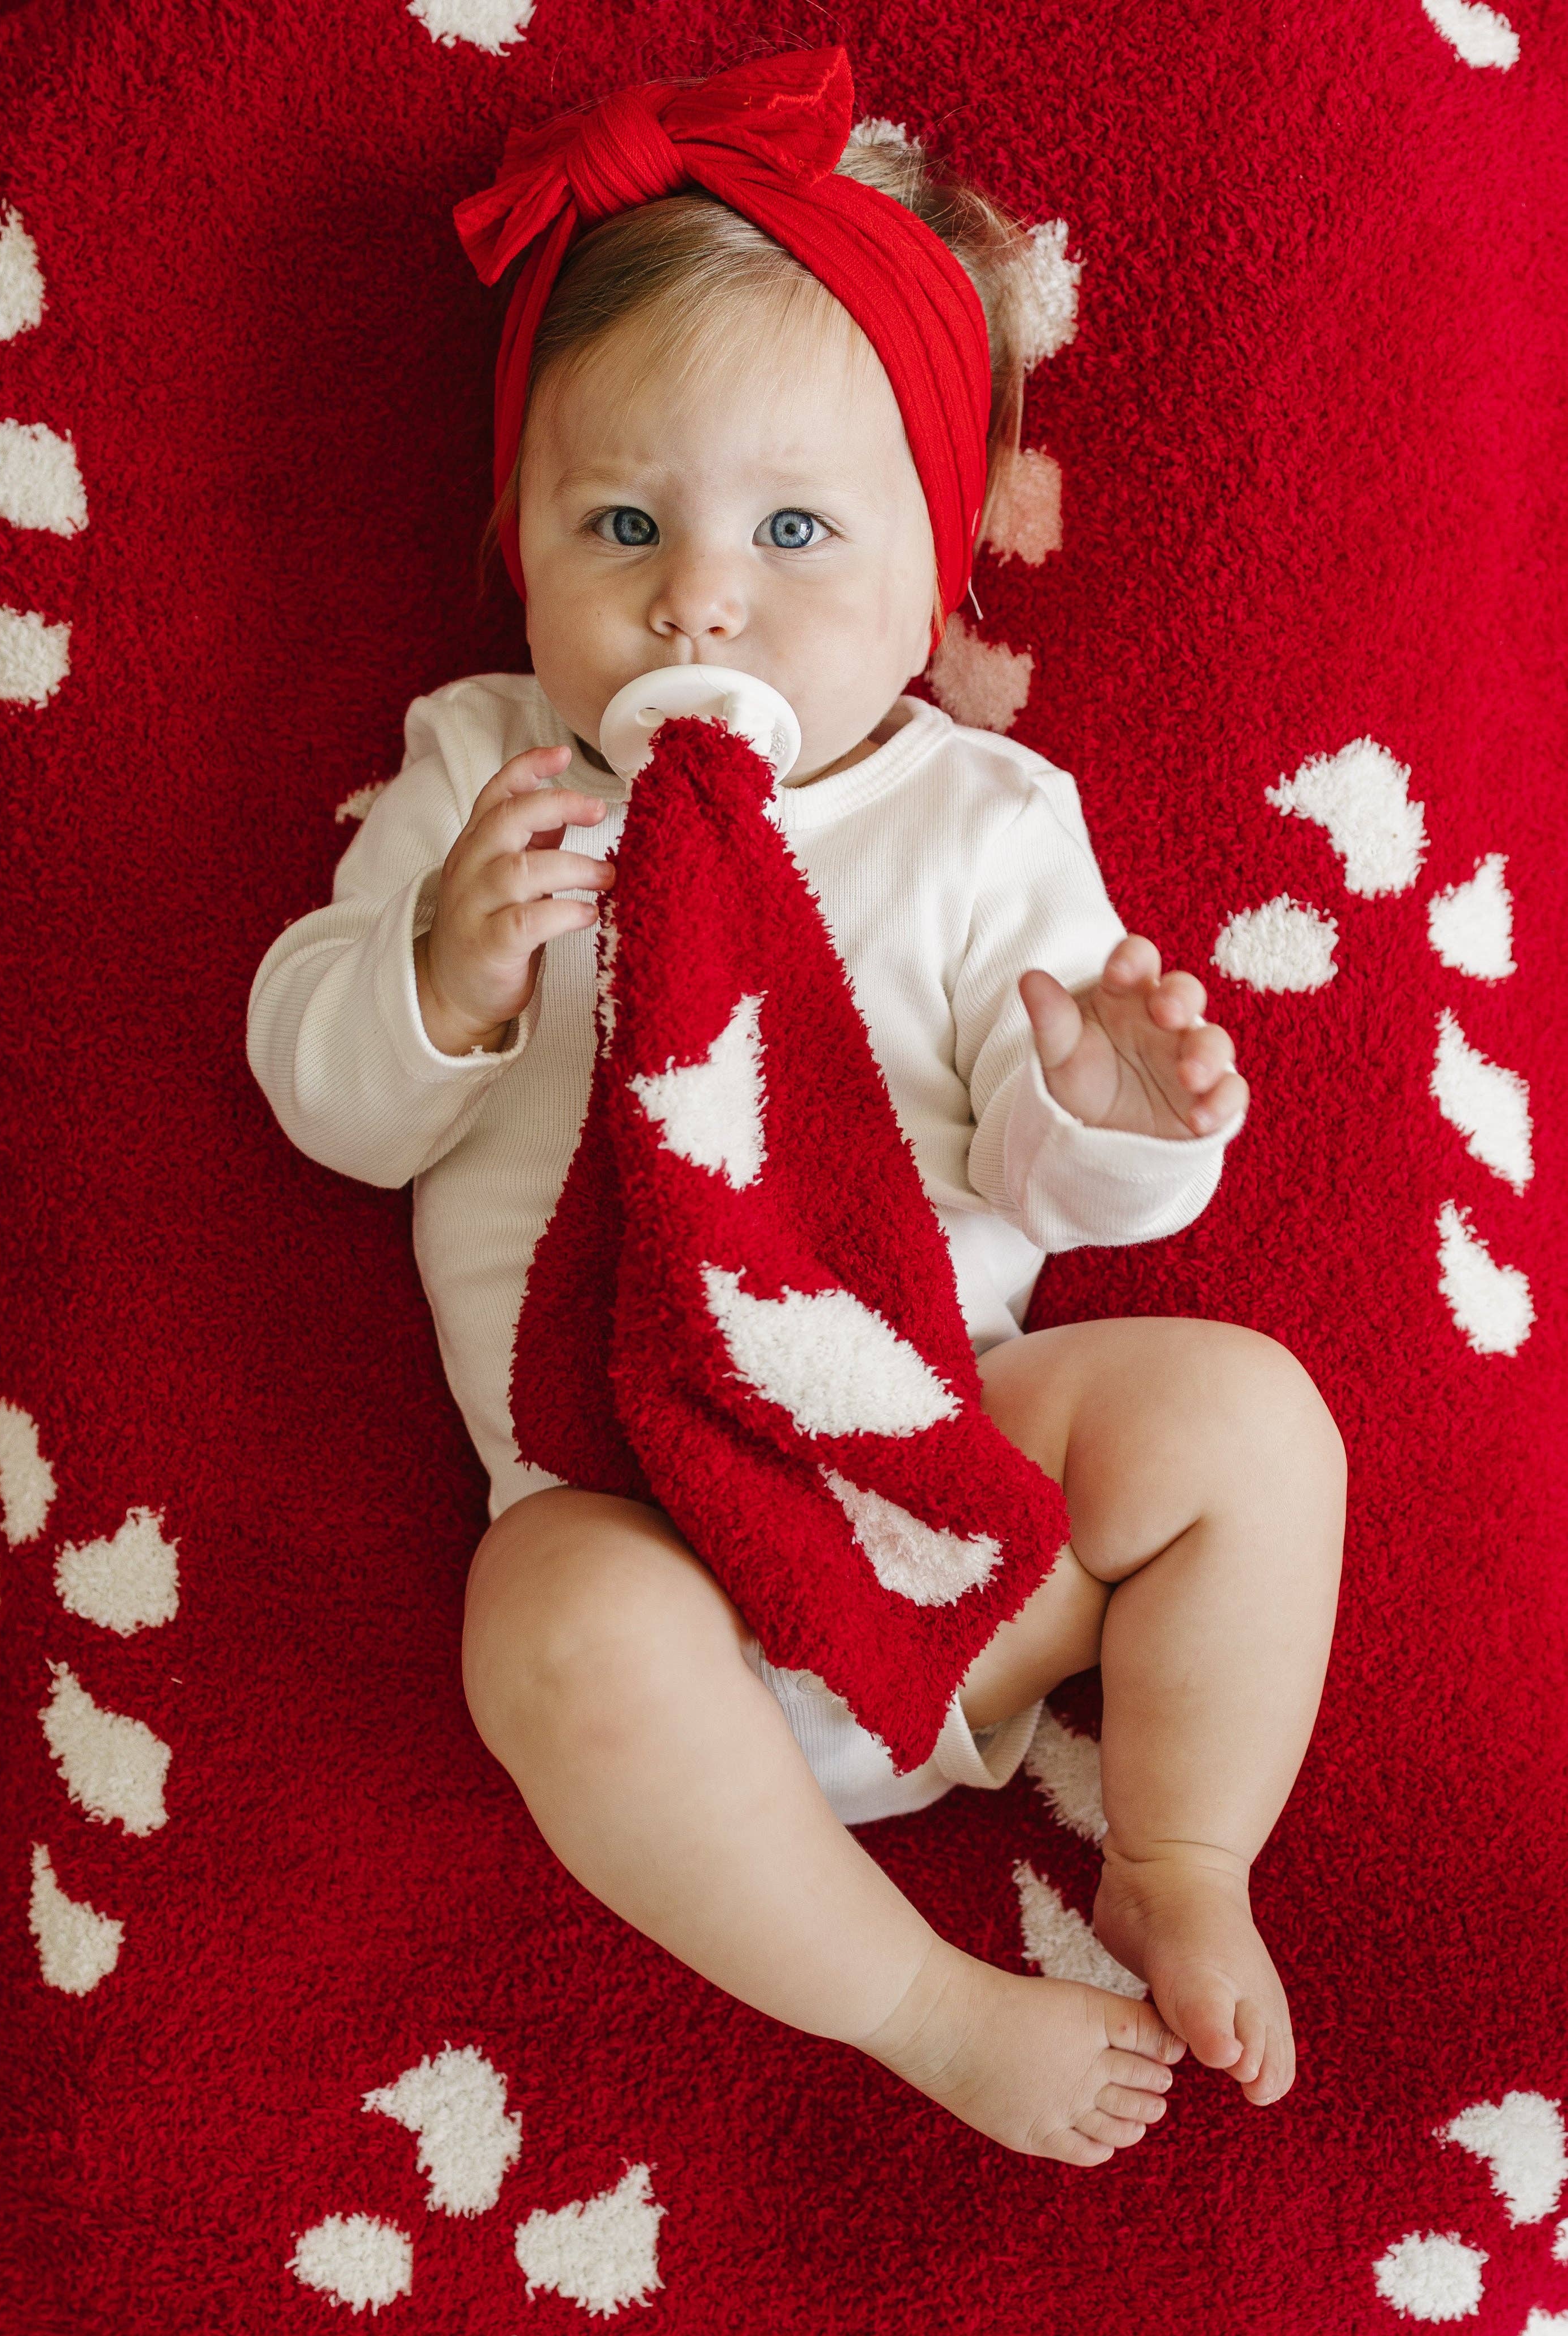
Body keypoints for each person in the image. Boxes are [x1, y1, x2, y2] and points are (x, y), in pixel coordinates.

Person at [246, 47, 1346, 2166]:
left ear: (933, 573)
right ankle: (916, 1999)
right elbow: (325, 1097)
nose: (698, 597)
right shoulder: (486, 771)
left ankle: (1183, 1847)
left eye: (792, 531)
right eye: (622, 526)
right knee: (546, 1623)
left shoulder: (980, 813)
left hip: (957, 1511)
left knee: (1245, 1416)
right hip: (652, 1560)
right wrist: (442, 973)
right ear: (521, 547)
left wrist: (1114, 1105)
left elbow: (1045, 1187)